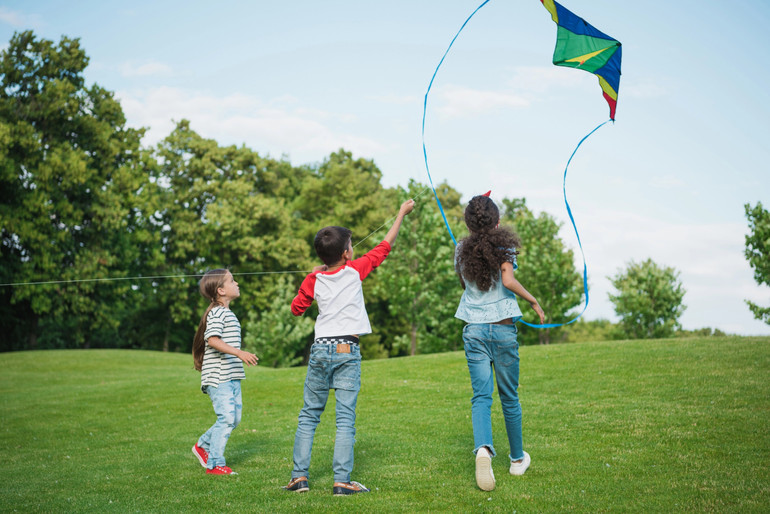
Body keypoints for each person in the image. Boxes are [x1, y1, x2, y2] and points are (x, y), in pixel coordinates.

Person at [284, 199, 415, 496]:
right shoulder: (355, 270)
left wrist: (311, 277)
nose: (354, 249)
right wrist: (399, 214)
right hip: (347, 349)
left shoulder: (313, 279)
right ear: (345, 253)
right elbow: (384, 246)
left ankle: (298, 478)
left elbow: (296, 309)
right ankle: (342, 481)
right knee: (345, 420)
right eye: (352, 245)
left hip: (320, 350)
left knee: (309, 416)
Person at [454, 193, 545, 491]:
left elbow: (466, 284)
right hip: (502, 330)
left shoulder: (460, 250)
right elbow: (507, 281)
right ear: (497, 222)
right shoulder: (504, 248)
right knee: (509, 397)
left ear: (469, 223)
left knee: (481, 396)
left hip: (474, 331)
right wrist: (533, 301)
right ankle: (517, 460)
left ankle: (483, 448)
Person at [191, 269, 259, 475]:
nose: (237, 283)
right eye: (232, 280)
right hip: (219, 376)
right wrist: (239, 352)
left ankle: (203, 445)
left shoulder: (226, 312)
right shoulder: (217, 312)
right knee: (227, 419)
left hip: (230, 376)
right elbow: (212, 340)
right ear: (220, 290)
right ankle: (215, 464)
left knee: (234, 419)